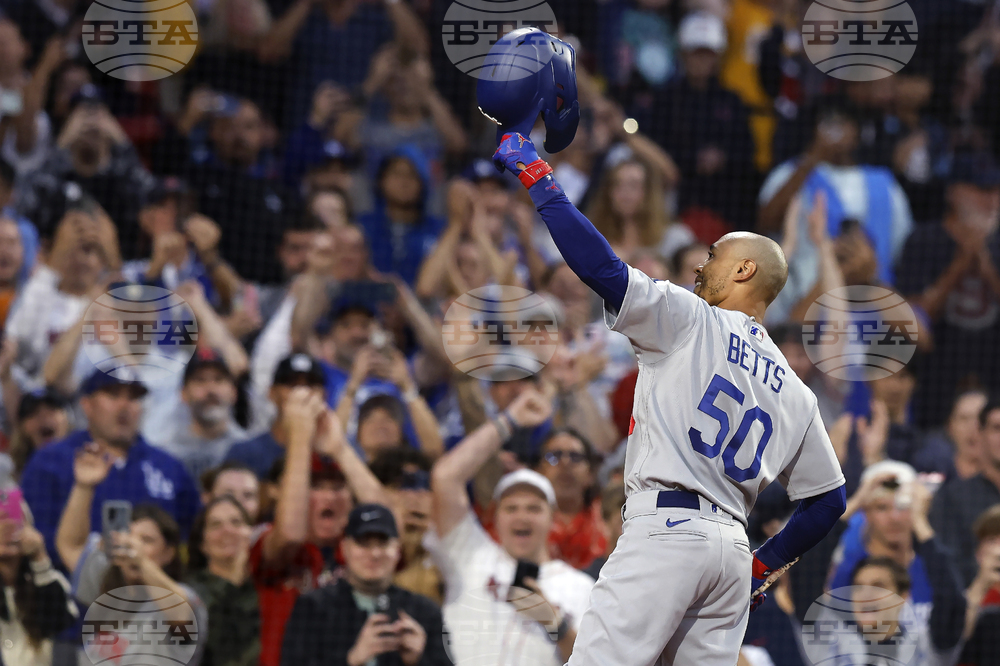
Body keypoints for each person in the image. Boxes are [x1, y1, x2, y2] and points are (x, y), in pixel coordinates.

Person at [491, 131, 846, 665]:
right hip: (729, 556)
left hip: (667, 529)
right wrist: (761, 563)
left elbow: (600, 269)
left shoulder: (692, 317)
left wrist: (540, 180)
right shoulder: (795, 388)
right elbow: (829, 501)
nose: (701, 267)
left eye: (712, 255)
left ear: (744, 270)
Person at [430, 388, 595, 665]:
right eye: (511, 508)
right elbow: (445, 477)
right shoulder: (471, 555)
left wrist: (555, 623)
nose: (522, 517)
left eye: (533, 508)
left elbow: (595, 661)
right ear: (496, 517)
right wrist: (509, 420)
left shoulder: (580, 587)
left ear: (551, 518)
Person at [249, 388, 386, 666]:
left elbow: (387, 522)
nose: (329, 497)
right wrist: (299, 438)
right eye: (315, 487)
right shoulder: (265, 538)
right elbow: (289, 535)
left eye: (338, 487)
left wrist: (339, 448)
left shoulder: (362, 551)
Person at [21, 370, 201, 568]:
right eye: (113, 395)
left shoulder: (169, 467)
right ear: (87, 405)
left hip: (153, 588)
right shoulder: (51, 460)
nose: (124, 406)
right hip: (73, 588)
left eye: (133, 397)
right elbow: (36, 534)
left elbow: (192, 537)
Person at [757, 100, 914, 324]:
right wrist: (814, 156)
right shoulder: (791, 172)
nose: (835, 130)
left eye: (842, 123)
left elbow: (901, 246)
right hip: (801, 298)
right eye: (828, 123)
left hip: (869, 299)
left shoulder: (885, 182)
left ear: (858, 132)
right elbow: (765, 223)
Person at [896, 151, 1000, 426]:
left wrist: (987, 267)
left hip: (993, 379)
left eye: (995, 190)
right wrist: (962, 263)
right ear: (953, 193)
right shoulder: (923, 241)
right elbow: (912, 322)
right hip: (935, 385)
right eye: (981, 190)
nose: (992, 200)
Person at [280, 503, 450, 666]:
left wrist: (418, 661)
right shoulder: (313, 608)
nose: (374, 553)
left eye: (383, 543)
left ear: (397, 550)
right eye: (364, 543)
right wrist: (352, 660)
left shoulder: (424, 612)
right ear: (344, 548)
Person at [643, 11, 756, 230]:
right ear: (683, 54)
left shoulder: (733, 101)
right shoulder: (664, 99)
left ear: (718, 57)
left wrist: (723, 157)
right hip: (679, 197)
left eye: (707, 53)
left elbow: (747, 150)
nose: (701, 60)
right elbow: (654, 146)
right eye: (696, 53)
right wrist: (692, 159)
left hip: (726, 201)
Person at [930, 397, 1000, 585]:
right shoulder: (952, 498)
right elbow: (949, 563)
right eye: (997, 428)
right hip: (975, 602)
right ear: (980, 433)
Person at [226, 353, 328, 479]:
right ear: (271, 393)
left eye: (311, 384)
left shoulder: (333, 451)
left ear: (324, 394)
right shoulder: (244, 453)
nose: (302, 392)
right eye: (292, 384)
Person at [187, 495, 261, 666]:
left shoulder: (265, 583)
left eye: (236, 522)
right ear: (202, 544)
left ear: (251, 532)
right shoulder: (192, 592)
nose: (227, 530)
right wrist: (235, 575)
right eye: (215, 525)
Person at [0, 505, 77, 666]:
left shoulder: (48, 578)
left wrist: (39, 557)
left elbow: (61, 626)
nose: (8, 528)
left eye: (15, 521)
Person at [155, 349, 247, 483]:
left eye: (219, 380)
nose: (211, 389)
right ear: (183, 394)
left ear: (234, 392)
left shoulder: (249, 449)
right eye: (200, 380)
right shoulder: (166, 454)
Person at [368, 446, 441, 604]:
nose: (412, 496)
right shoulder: (357, 546)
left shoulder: (453, 548)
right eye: (399, 486)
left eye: (423, 486)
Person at [532, 429, 607, 571]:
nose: (565, 462)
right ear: (538, 471)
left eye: (575, 456)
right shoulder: (520, 516)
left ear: (590, 474)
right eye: (555, 456)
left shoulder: (608, 520)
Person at [6, 390, 70, 479]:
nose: (44, 418)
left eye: (52, 410)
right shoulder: (9, 472)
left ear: (66, 419)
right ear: (22, 427)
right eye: (34, 413)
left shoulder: (87, 460)